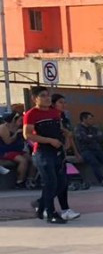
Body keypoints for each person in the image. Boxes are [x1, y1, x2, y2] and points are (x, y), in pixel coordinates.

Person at [24, 86, 73, 223]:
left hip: (57, 152)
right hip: (42, 152)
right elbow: (27, 134)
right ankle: (50, 214)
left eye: (48, 95)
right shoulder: (31, 114)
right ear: (35, 99)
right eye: (43, 96)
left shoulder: (54, 113)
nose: (47, 98)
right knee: (50, 182)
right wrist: (49, 141)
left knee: (62, 182)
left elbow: (58, 128)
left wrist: (66, 134)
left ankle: (41, 205)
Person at [74, 112, 103, 186]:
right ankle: (102, 179)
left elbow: (101, 137)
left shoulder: (94, 128)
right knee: (94, 162)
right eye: (90, 119)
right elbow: (83, 138)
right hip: (85, 150)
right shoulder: (78, 128)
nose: (92, 120)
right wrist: (92, 137)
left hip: (97, 149)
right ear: (84, 119)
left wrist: (91, 136)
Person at [0, 113, 32, 188]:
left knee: (33, 160)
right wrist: (16, 134)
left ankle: (31, 179)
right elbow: (7, 142)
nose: (22, 122)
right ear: (13, 120)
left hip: (17, 150)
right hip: (5, 151)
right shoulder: (3, 128)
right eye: (20, 120)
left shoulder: (21, 127)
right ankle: (20, 181)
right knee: (23, 160)